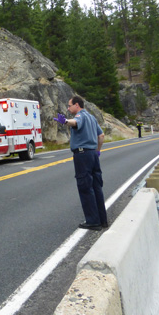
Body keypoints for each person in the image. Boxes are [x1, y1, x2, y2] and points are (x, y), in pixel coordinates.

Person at [55, 96, 108, 231]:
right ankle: (103, 219)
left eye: (69, 105)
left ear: (77, 105)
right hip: (93, 155)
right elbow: (101, 136)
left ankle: (93, 221)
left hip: (82, 155)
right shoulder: (92, 118)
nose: (68, 108)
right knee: (97, 186)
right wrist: (97, 151)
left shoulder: (81, 117)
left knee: (85, 187)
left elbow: (74, 122)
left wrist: (65, 121)